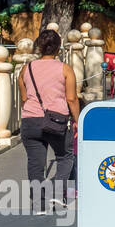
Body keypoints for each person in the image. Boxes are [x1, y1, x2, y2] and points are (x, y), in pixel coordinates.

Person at [17, 30, 80, 214]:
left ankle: (40, 204)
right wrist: (77, 120)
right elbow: (71, 99)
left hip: (30, 120)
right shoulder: (64, 69)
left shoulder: (26, 69)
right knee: (65, 156)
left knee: (36, 163)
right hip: (56, 121)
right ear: (59, 48)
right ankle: (58, 194)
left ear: (38, 47)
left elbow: (23, 98)